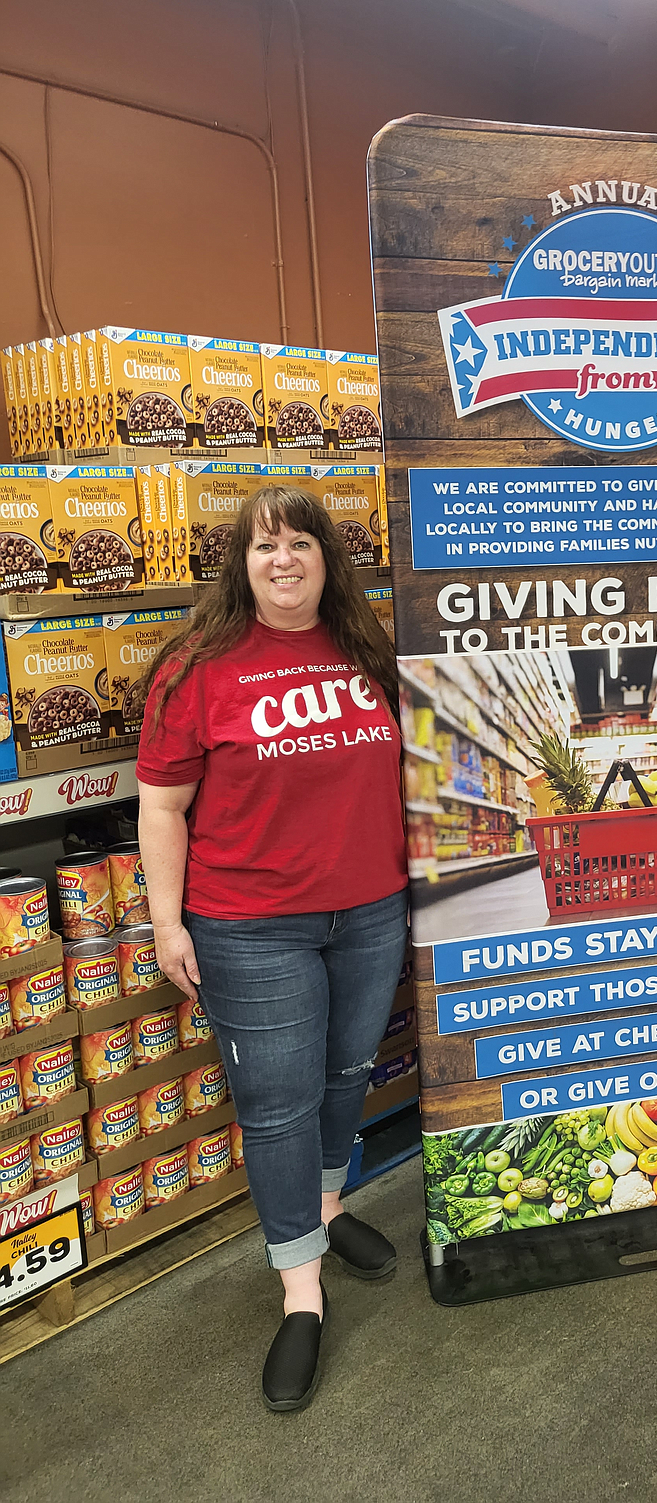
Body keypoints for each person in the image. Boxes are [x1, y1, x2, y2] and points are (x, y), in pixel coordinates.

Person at [136, 486, 409, 1409]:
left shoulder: (367, 651)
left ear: (328, 558)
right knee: (279, 1105)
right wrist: (168, 923)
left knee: (345, 1077)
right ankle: (301, 1289)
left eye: (300, 543)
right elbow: (162, 805)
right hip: (251, 926)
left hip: (370, 910)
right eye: (264, 548)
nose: (283, 560)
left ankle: (328, 1212)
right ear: (241, 565)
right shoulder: (197, 666)